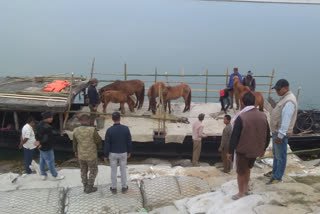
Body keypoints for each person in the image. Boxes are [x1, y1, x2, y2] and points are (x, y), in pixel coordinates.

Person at [228, 92, 270, 200]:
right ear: (254, 102)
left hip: (243, 150)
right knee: (248, 169)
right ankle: (246, 189)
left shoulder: (241, 117)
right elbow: (267, 134)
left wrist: (229, 151)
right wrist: (263, 149)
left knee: (240, 172)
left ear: (242, 103)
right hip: (256, 150)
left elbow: (234, 136)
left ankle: (240, 193)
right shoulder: (263, 115)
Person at [267, 79, 297, 184]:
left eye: (279, 89)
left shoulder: (289, 101)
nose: (277, 91)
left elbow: (286, 120)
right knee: (276, 154)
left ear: (286, 88)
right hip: (277, 132)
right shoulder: (284, 98)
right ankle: (275, 172)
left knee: (280, 156)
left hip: (280, 134)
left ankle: (277, 177)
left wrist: (281, 135)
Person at [104, 112, 132, 194]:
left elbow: (107, 144)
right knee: (123, 170)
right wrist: (129, 151)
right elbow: (129, 142)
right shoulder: (126, 129)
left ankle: (113, 187)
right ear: (120, 118)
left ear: (112, 119)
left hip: (113, 153)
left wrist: (105, 155)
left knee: (113, 171)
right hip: (123, 152)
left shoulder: (109, 130)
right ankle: (124, 187)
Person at [73, 114, 102, 193]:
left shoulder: (75, 130)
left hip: (81, 155)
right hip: (91, 155)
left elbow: (74, 143)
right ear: (88, 121)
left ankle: (85, 185)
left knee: (83, 170)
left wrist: (75, 151)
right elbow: (98, 140)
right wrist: (100, 147)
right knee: (93, 170)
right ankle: (89, 187)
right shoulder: (92, 130)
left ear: (80, 121)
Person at [35, 112, 64, 180]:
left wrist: (38, 143)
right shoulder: (48, 127)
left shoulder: (38, 124)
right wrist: (41, 143)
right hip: (47, 147)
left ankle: (43, 174)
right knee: (50, 161)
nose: (52, 119)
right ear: (46, 118)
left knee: (42, 159)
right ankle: (55, 175)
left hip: (40, 147)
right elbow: (46, 138)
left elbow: (37, 135)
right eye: (50, 117)